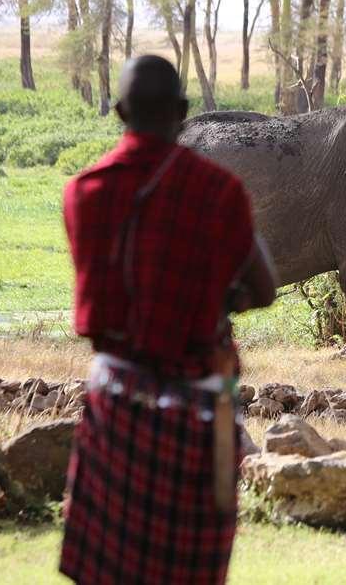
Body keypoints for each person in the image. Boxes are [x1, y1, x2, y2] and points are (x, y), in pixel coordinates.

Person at [60, 55, 278, 585]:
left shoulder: (83, 193)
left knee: (108, 570)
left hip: (114, 405)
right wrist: (218, 302)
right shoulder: (218, 192)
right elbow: (264, 287)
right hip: (198, 412)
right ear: (182, 112)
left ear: (118, 112)